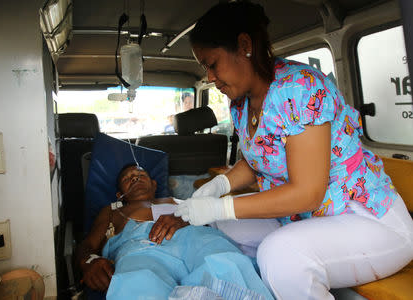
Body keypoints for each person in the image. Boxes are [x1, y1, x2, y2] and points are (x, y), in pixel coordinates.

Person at [173, 2, 413, 299]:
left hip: (368, 220)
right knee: (224, 227)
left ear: (244, 46)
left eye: (212, 64)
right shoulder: (241, 102)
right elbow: (257, 160)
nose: (210, 77)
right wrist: (219, 185)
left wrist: (222, 204)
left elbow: (308, 192)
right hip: (309, 218)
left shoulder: (300, 88)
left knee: (280, 255)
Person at [76, 164, 274, 300]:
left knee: (226, 262)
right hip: (140, 249)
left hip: (196, 237)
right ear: (120, 194)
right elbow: (88, 245)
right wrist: (89, 262)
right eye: (128, 179)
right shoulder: (112, 210)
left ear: (154, 185)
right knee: (138, 283)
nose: (135, 178)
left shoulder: (180, 202)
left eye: (141, 175)